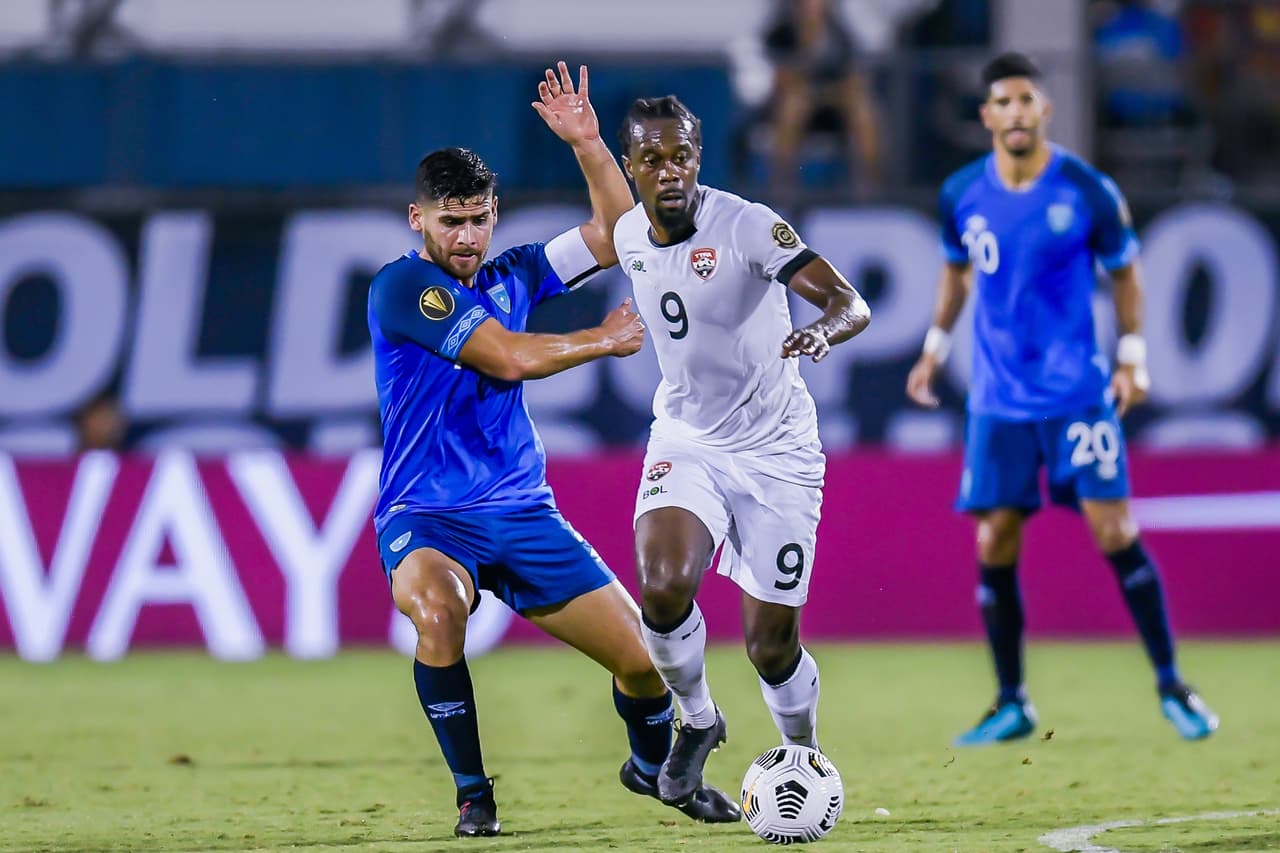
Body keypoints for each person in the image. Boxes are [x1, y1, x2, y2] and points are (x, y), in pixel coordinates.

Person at [367, 63, 740, 838]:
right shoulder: (403, 291)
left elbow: (615, 235)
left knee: (644, 662)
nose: (466, 237)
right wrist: (601, 339)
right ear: (416, 219)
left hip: (522, 512)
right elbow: (505, 358)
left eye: (478, 219)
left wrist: (589, 145)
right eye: (450, 222)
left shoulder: (516, 273)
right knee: (438, 610)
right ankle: (473, 793)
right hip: (428, 516)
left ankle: (655, 770)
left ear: (494, 214)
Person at [905, 52, 1219, 746]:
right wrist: (934, 346)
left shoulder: (1086, 190)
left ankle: (1173, 684)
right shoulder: (961, 193)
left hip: (1076, 394)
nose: (1016, 112)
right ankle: (1011, 700)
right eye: (1003, 102)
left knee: (1115, 530)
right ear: (987, 115)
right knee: (994, 537)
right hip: (997, 398)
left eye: (1026, 100)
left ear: (1044, 109)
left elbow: (1126, 274)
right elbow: (956, 272)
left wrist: (1133, 358)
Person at [613, 95, 872, 806]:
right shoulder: (628, 233)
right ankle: (698, 719)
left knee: (770, 646)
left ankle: (804, 756)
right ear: (631, 166)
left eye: (682, 156)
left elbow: (850, 302)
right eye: (652, 159)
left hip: (776, 451)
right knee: (662, 584)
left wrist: (822, 331)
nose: (670, 171)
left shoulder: (747, 225)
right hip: (687, 439)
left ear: (699, 158)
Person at [762, 0, 882, 197]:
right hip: (794, 102)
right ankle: (783, 185)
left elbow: (854, 77)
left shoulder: (840, 33)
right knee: (793, 105)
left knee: (862, 108)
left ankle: (869, 185)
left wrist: (835, 92)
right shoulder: (782, 33)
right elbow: (782, 80)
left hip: (833, 105)